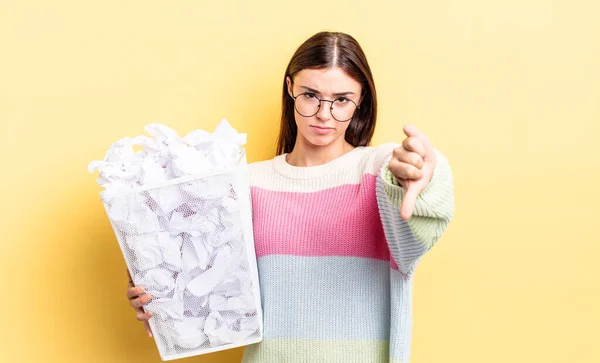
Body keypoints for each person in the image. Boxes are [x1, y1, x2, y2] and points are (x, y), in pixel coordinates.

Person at [126, 31, 454, 362]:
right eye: (311, 95)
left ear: (361, 100)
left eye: (341, 100)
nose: (324, 114)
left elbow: (422, 206)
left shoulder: (379, 170)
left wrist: (422, 172)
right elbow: (206, 292)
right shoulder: (246, 183)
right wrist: (159, 292)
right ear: (290, 88)